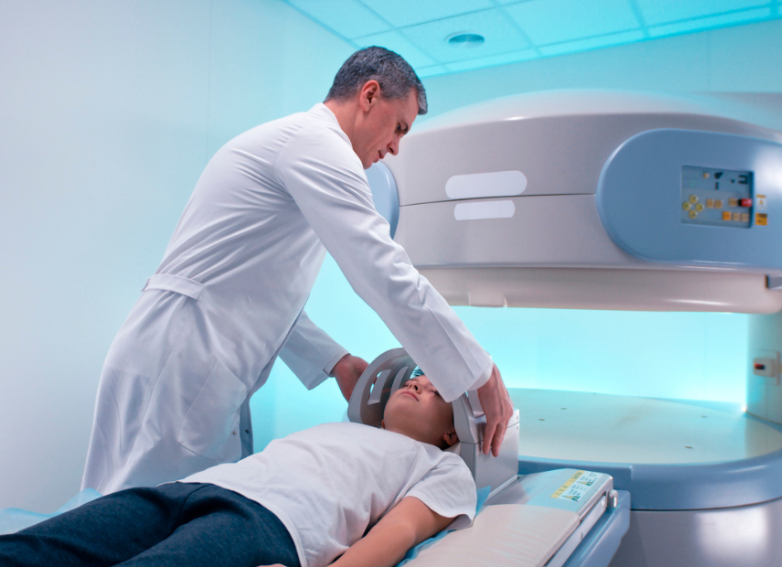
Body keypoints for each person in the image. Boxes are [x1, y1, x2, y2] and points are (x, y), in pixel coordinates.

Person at [81, 46, 514, 495]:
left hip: (183, 353)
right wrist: (479, 371)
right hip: (180, 360)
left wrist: (336, 362)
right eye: (398, 127)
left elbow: (257, 292)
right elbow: (382, 270)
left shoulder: (298, 145)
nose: (395, 148)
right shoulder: (317, 145)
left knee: (141, 519)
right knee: (129, 524)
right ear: (369, 95)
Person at [0, 374, 476, 567]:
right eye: (418, 377)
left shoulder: (439, 466)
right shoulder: (340, 427)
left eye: (433, 392)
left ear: (453, 433)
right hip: (199, 488)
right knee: (36, 548)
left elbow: (399, 533)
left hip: (270, 525)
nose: (418, 383)